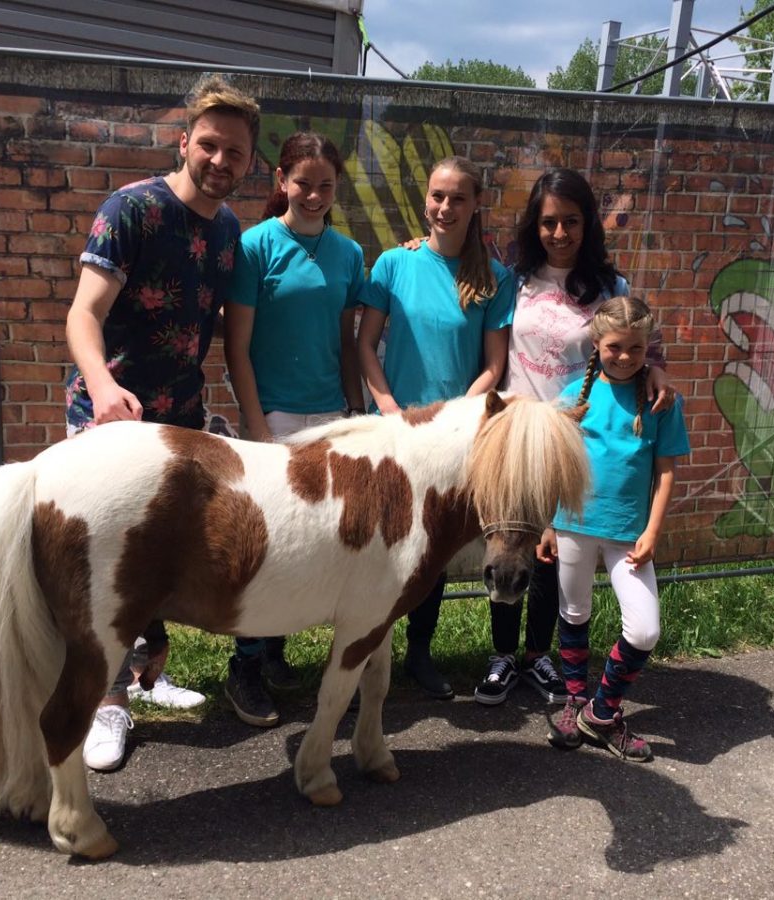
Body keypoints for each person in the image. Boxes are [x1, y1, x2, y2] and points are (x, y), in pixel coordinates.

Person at [63, 74, 260, 772]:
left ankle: (149, 674)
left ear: (248, 163)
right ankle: (107, 701)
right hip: (111, 422)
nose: (219, 160)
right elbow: (83, 314)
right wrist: (102, 387)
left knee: (164, 560)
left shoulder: (229, 230)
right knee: (112, 567)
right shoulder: (132, 210)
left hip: (179, 424)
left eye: (234, 152)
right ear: (183, 142)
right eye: (209, 144)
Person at [474, 168, 674, 707]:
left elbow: (641, 342)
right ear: (533, 225)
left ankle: (539, 655)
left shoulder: (612, 288)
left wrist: (656, 369)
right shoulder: (512, 280)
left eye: (571, 221)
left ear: (588, 224)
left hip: (573, 440)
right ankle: (501, 656)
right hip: (516, 432)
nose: (559, 233)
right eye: (548, 222)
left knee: (552, 551)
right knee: (509, 541)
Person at [222, 131, 367, 726]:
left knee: (313, 542)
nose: (313, 195)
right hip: (274, 414)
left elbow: (347, 341)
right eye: (303, 183)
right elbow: (236, 348)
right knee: (265, 543)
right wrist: (257, 425)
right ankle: (245, 665)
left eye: (325, 186)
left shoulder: (349, 254)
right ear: (281, 180)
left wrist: (354, 411)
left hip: (330, 414)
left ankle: (277, 651)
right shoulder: (254, 246)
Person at [357, 155, 515, 700]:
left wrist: (450, 420)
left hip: (451, 438)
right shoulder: (393, 264)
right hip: (392, 431)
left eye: (458, 198)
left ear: (476, 205)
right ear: (426, 199)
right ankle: (363, 655)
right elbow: (365, 346)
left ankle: (419, 654)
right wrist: (389, 409)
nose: (445, 207)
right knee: (378, 546)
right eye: (437, 196)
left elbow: (494, 366)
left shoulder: (495, 280)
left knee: (433, 550)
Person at [542, 295, 689, 761]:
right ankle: (575, 701)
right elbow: (556, 467)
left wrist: (653, 531)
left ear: (648, 347)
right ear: (596, 344)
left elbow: (666, 472)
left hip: (630, 534)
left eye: (636, 348)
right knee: (574, 614)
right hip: (573, 526)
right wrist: (548, 524)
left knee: (644, 630)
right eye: (614, 347)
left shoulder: (662, 401)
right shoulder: (572, 398)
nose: (624, 357)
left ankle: (601, 712)